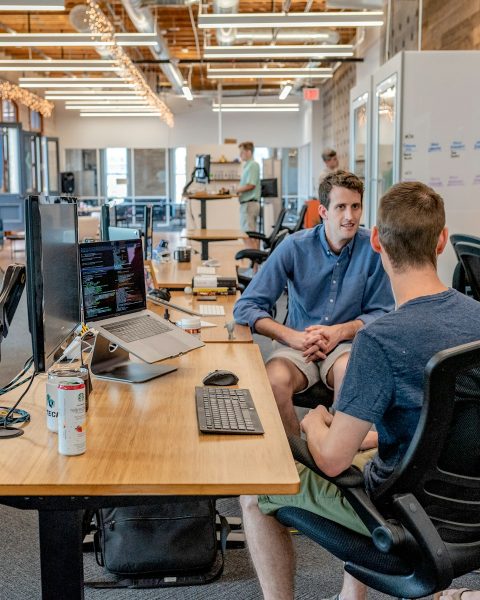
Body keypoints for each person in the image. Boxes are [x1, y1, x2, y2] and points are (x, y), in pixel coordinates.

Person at [240, 181, 480, 600]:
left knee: (252, 490)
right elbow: (438, 420)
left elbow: (332, 461)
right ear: (442, 241)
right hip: (467, 506)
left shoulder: (380, 340)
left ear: (376, 241)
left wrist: (314, 423)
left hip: (402, 512)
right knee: (366, 446)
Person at [234, 170, 394, 436]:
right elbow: (246, 306)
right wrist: (292, 337)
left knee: (351, 376)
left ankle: (335, 457)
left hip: (345, 345)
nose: (350, 216)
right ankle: (298, 458)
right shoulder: (294, 247)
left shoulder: (373, 249)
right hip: (297, 344)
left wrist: (339, 332)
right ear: (323, 211)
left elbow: (383, 312)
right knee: (274, 381)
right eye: (340, 207)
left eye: (356, 207)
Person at [236, 141, 261, 249]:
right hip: (246, 204)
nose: (240, 155)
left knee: (249, 235)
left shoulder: (253, 165)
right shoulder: (247, 166)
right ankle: (254, 263)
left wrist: (237, 190)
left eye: (242, 152)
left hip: (249, 204)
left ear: (249, 152)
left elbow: (251, 185)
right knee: (248, 234)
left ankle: (255, 263)